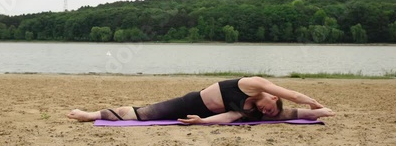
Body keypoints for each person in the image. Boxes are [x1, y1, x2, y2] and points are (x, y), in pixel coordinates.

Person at [67, 76, 335, 124]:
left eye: (268, 112)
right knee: (142, 113)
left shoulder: (254, 111)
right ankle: (91, 114)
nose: (267, 111)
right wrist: (311, 101)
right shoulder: (254, 85)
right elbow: (296, 96)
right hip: (190, 103)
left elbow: (229, 118)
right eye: (270, 107)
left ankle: (323, 113)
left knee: (291, 115)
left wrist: (202, 124)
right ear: (274, 97)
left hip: (202, 114)